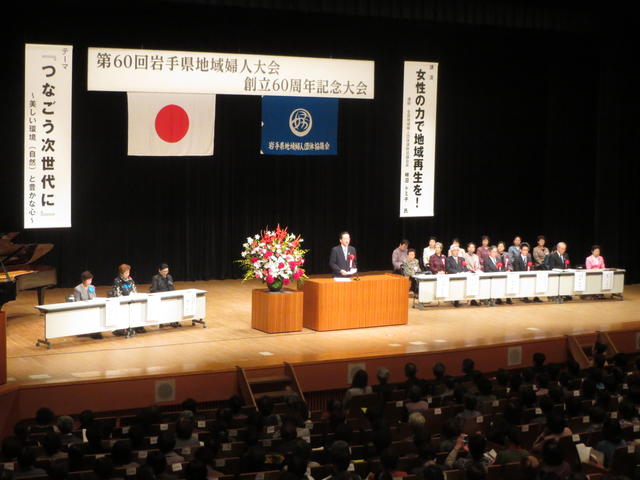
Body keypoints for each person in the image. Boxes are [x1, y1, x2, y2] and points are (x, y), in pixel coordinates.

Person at [111, 263, 144, 335]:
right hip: (122, 303)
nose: (128, 274)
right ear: (121, 273)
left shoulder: (130, 279)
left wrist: (134, 295)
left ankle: (136, 325)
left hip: (131, 300)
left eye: (128, 272)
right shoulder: (117, 281)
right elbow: (117, 293)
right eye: (126, 272)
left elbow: (134, 290)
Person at [150, 263, 180, 328]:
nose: (165, 273)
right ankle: (162, 321)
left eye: (167, 271)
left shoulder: (169, 277)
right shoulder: (155, 278)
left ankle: (173, 320)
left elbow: (172, 287)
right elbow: (153, 290)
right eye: (164, 271)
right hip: (161, 298)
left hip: (170, 297)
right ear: (159, 270)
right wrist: (164, 294)